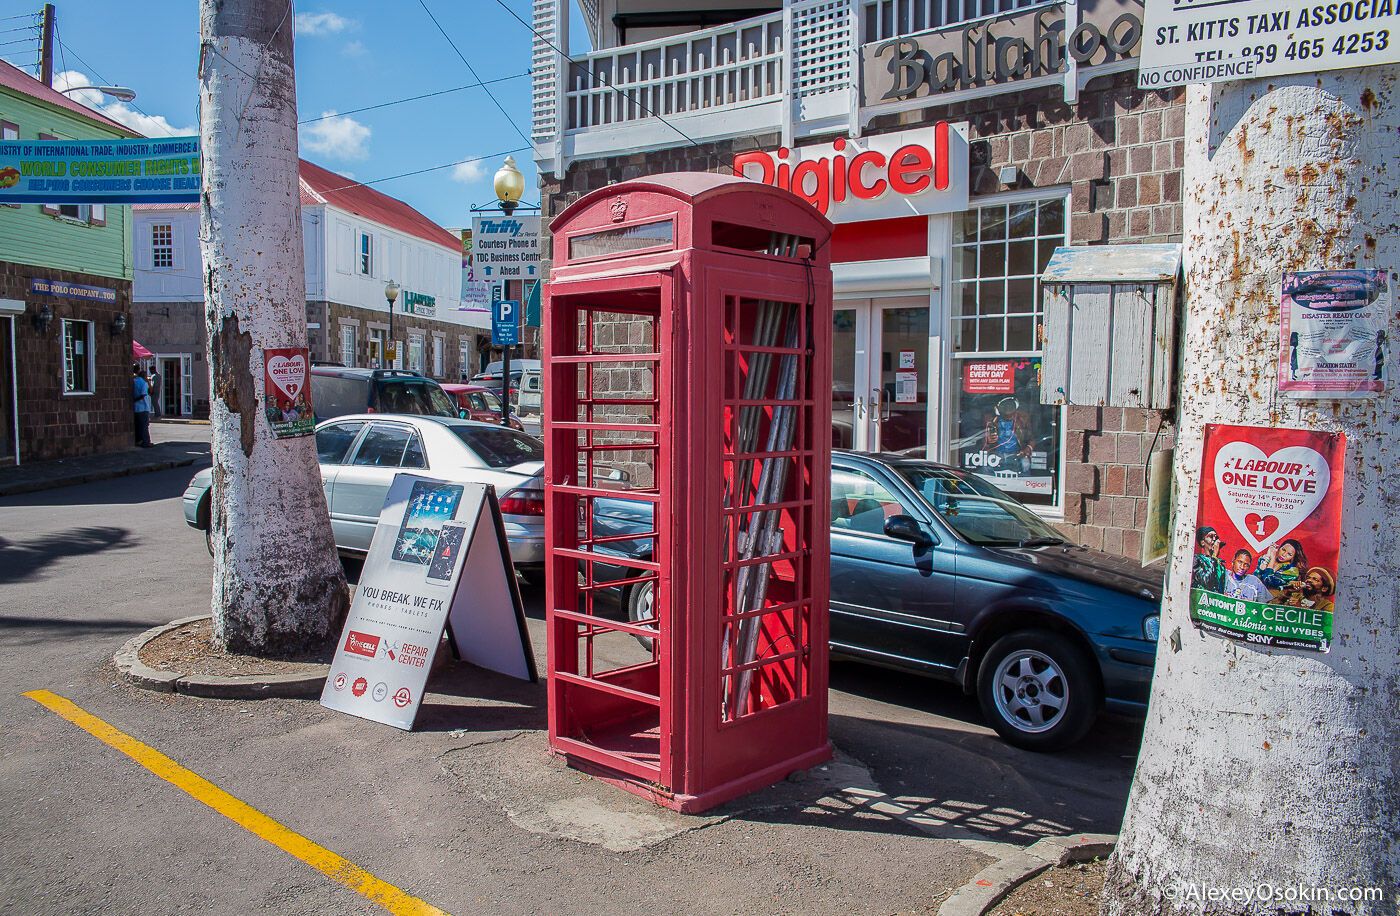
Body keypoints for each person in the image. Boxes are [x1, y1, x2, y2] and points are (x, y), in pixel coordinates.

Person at [1190, 526, 1227, 593]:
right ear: (1202, 542)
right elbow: (1206, 581)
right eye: (1211, 536)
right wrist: (1214, 557)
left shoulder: (1221, 565)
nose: (1214, 539)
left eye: (1216, 537)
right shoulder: (1197, 559)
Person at [131, 364, 153, 448]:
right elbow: (145, 394)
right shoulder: (143, 383)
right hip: (143, 407)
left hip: (135, 408)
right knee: (144, 426)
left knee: (137, 426)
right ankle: (146, 442)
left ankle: (138, 441)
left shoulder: (133, 381)